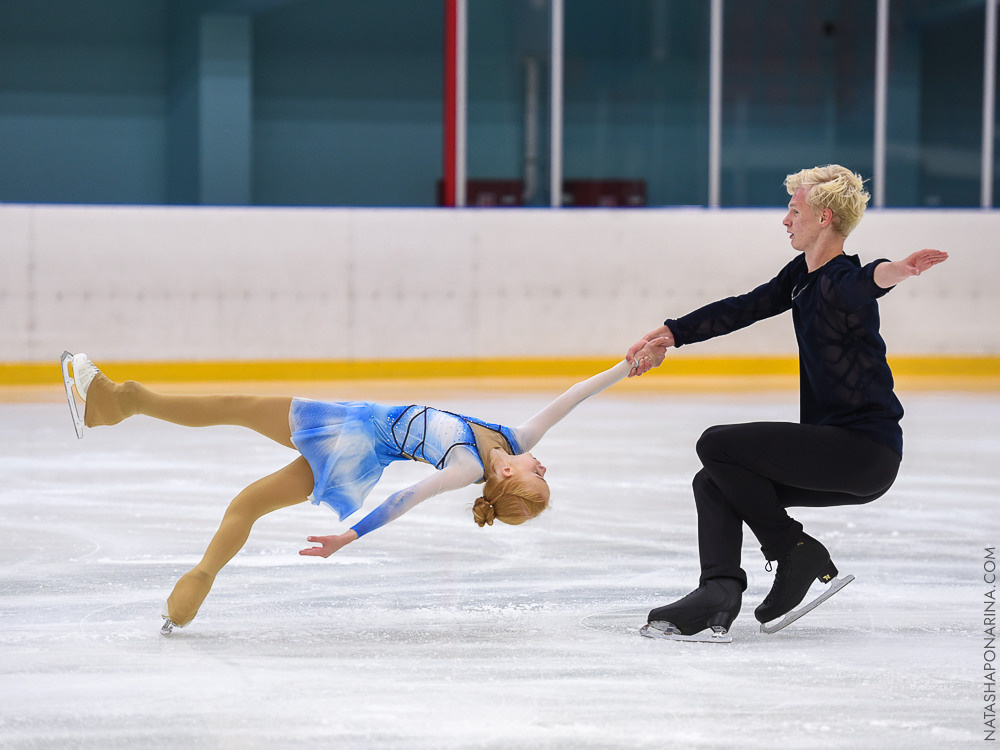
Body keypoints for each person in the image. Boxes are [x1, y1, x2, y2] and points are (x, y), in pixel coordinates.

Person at [62, 352, 646, 633]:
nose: (543, 465)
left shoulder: (468, 463)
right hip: (355, 456)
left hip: (349, 429)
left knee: (234, 408)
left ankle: (120, 401)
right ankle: (188, 595)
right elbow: (575, 395)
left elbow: (406, 498)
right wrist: (630, 364)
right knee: (246, 504)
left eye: (541, 476)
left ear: (510, 479)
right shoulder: (515, 438)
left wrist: (348, 535)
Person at [626, 164, 949, 641]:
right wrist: (675, 333)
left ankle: (795, 550)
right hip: (836, 451)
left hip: (863, 451)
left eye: (793, 211)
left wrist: (896, 272)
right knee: (713, 481)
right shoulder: (801, 276)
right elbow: (745, 307)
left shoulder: (841, 280)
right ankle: (718, 590)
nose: (785, 220)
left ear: (824, 218)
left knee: (717, 444)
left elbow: (867, 280)